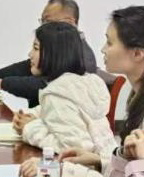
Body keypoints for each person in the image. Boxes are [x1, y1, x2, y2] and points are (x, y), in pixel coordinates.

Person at [21, 5, 144, 177]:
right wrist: (99, 160)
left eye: (109, 42)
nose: (103, 49)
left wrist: (57, 173)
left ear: (138, 53)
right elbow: (134, 170)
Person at [0, 0, 106, 107]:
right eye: (42, 21)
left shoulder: (82, 56)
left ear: (69, 22)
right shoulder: (57, 47)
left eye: (48, 21)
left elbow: (49, 86)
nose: (43, 27)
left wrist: (2, 83)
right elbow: (24, 68)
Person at [11, 22, 114, 153]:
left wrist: (29, 128)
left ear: (53, 55)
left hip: (86, 164)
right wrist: (30, 115)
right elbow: (57, 111)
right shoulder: (83, 83)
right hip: (109, 161)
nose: (30, 54)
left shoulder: (57, 95)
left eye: (36, 48)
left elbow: (75, 149)